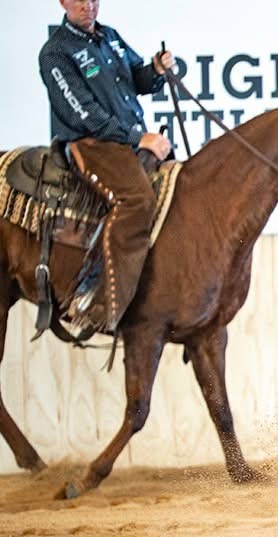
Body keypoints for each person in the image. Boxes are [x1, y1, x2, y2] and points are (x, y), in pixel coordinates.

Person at [39, 0, 174, 332]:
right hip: (92, 143)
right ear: (63, 2)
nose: (88, 6)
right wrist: (137, 138)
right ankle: (95, 295)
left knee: (178, 187)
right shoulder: (55, 52)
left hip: (125, 139)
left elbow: (136, 79)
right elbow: (82, 114)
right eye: (79, 0)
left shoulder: (110, 37)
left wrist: (155, 70)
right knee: (136, 200)